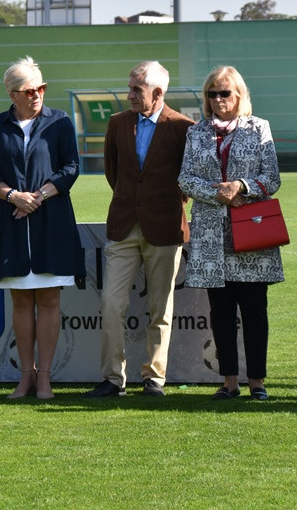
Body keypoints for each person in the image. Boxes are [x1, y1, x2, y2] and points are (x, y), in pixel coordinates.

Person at [84, 61, 194, 398]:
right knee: (111, 302)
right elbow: (113, 174)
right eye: (129, 88)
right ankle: (113, 378)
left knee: (160, 308)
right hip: (123, 226)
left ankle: (154, 378)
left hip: (165, 229)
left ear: (158, 93)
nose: (128, 95)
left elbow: (188, 180)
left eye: (136, 90)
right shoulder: (117, 124)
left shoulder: (184, 127)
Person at [0, 57, 85, 400]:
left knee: (50, 299)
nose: (37, 94)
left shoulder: (61, 121)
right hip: (11, 224)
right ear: (12, 94)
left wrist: (36, 197)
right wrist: (12, 196)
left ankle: (45, 379)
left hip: (52, 222)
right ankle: (26, 376)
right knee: (21, 302)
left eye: (41, 88)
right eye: (29, 90)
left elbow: (71, 168)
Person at [179, 66, 284, 400]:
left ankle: (258, 382)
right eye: (212, 94)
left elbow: (273, 177)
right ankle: (229, 381)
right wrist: (216, 192)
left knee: (254, 311)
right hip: (210, 235)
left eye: (225, 93)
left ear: (239, 95)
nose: (218, 100)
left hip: (251, 231)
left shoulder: (259, 129)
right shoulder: (196, 133)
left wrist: (240, 186)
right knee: (220, 312)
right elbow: (185, 179)